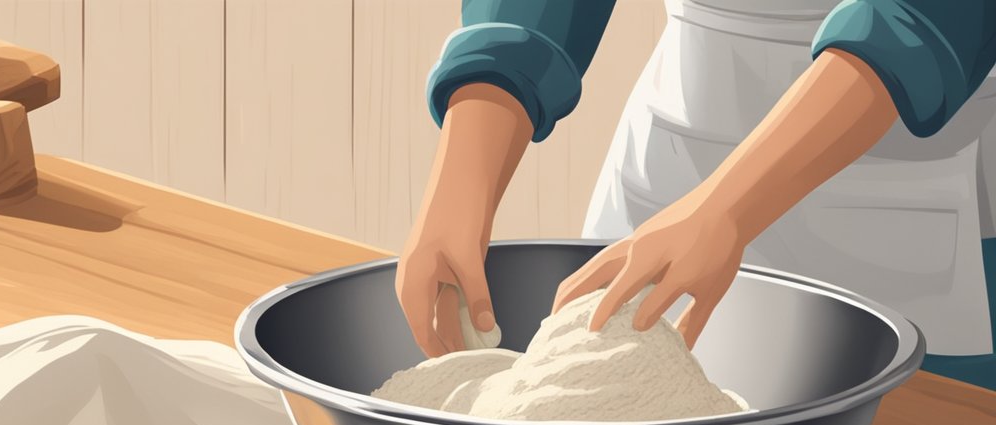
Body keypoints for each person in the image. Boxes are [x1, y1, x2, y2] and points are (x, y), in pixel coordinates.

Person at [398, 1, 996, 390]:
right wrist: (462, 175)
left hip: (904, 177)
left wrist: (726, 209)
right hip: (670, 166)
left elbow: (926, 19)